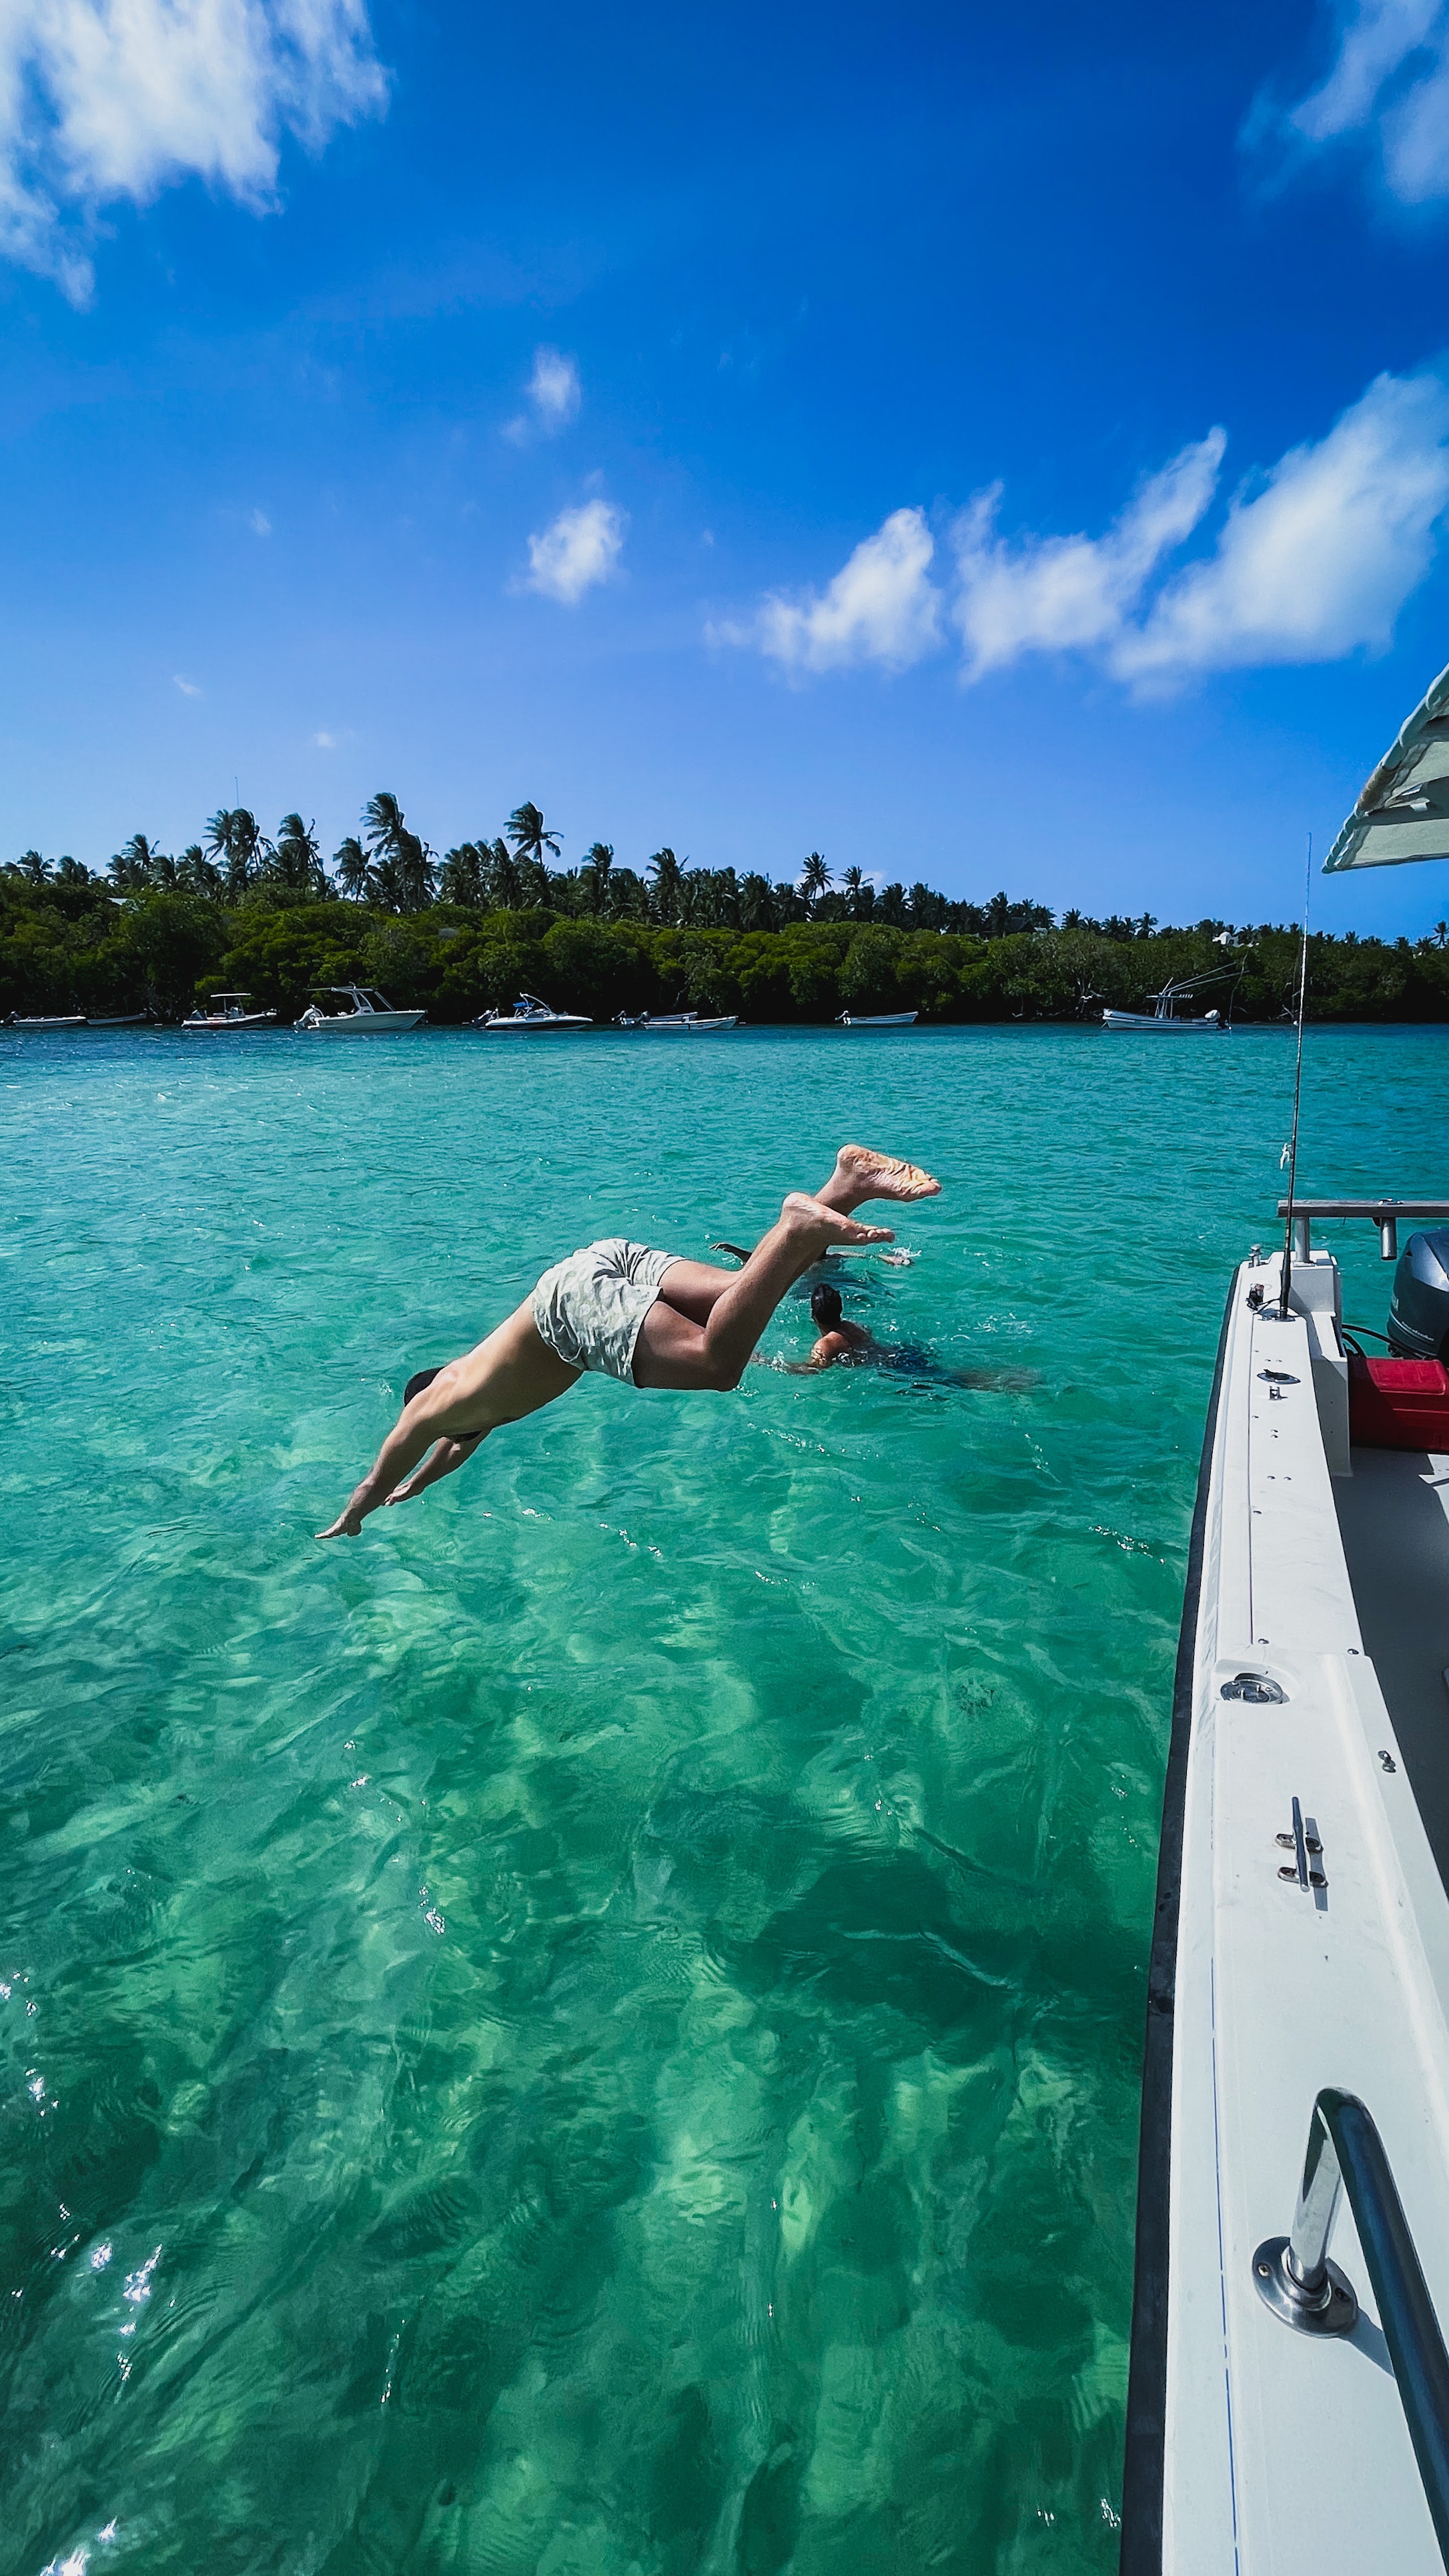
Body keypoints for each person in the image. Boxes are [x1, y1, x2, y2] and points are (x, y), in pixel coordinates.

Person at [316, 1143, 940, 1539]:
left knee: (716, 1364)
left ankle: (801, 1222)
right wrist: (416, 1488)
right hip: (597, 1263)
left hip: (567, 1312)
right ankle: (845, 1182)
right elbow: (441, 1459)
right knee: (745, 1290)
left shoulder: (437, 1405)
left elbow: (385, 1465)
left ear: (419, 1401)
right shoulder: (472, 1415)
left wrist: (354, 1515)